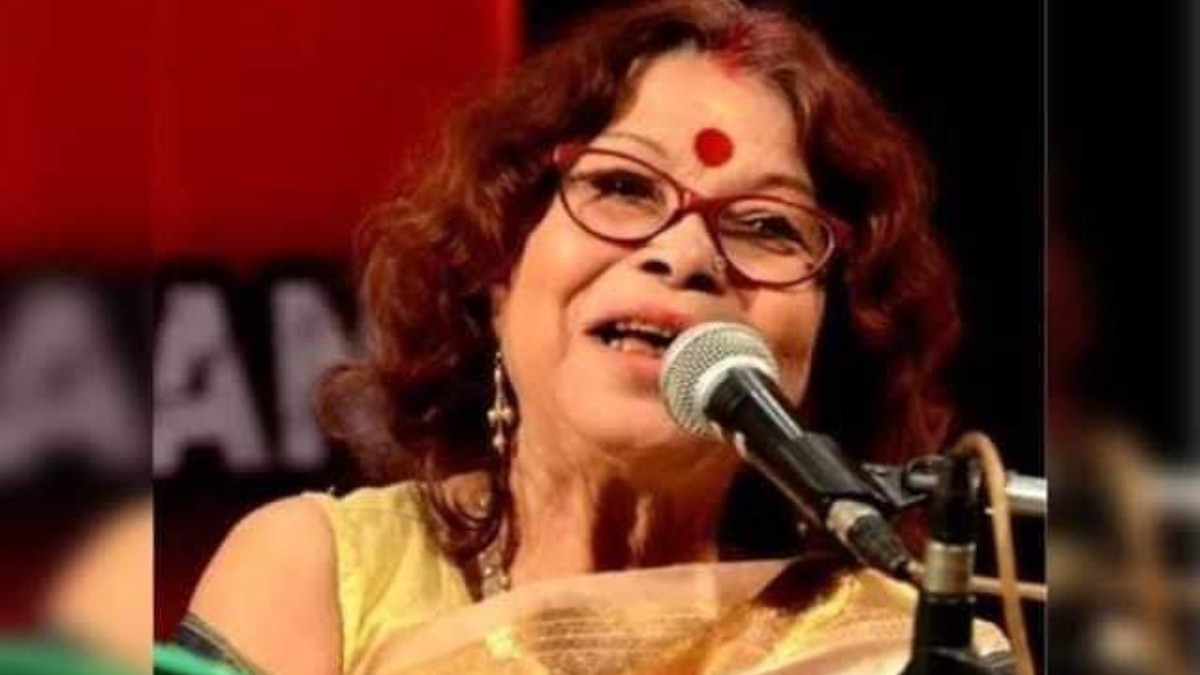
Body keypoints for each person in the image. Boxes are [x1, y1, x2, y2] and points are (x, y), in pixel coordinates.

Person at [181, 1, 1005, 673]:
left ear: (833, 331)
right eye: (622, 186)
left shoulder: (901, 646)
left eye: (767, 226)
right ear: (495, 268)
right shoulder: (319, 575)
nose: (686, 255)